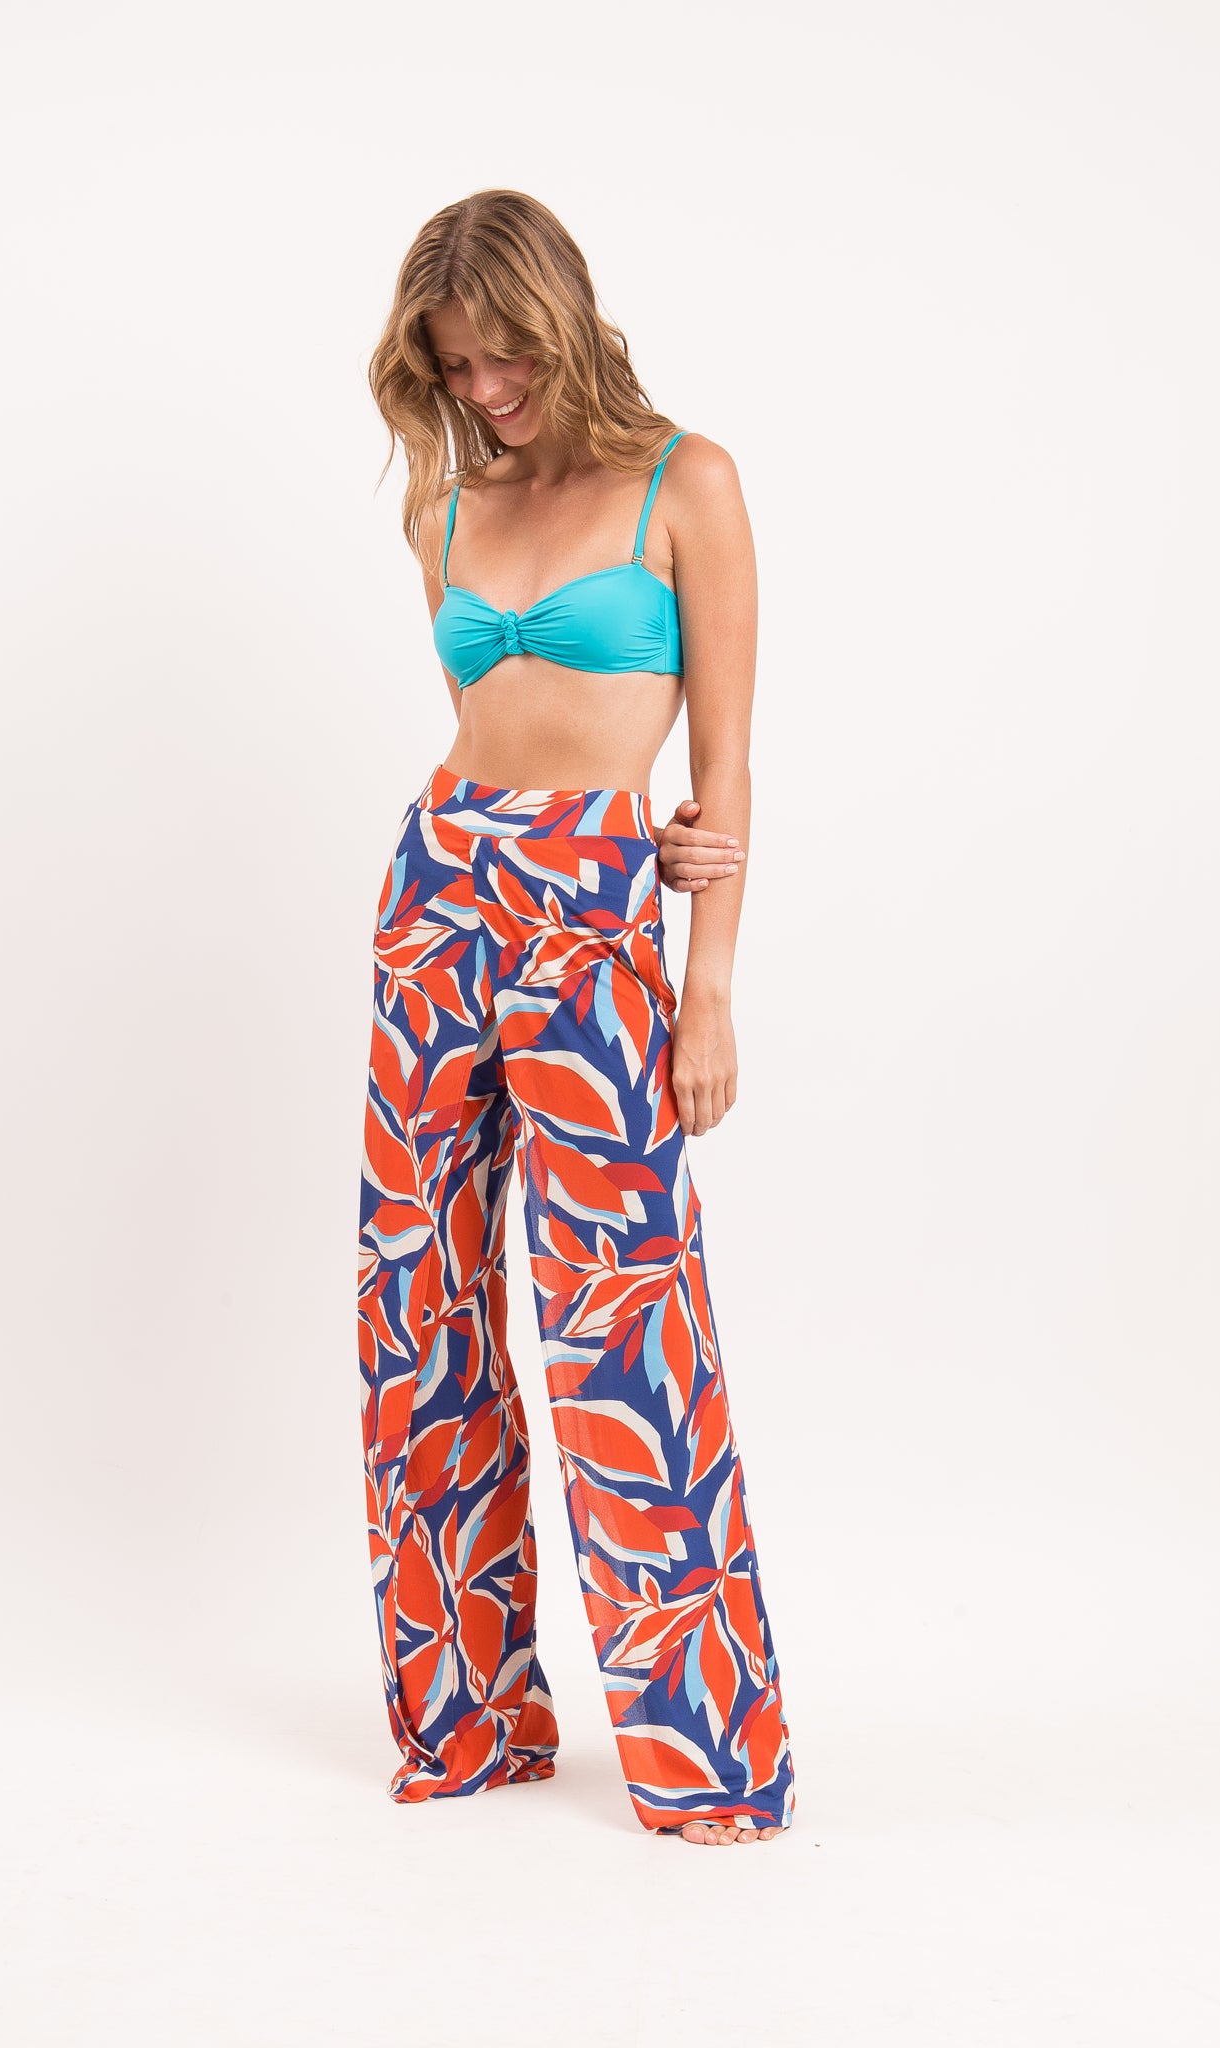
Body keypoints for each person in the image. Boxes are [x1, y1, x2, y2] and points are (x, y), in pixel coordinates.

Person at [358, 189, 795, 1845]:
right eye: (452, 369)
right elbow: (479, 722)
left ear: (563, 322)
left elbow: (723, 766)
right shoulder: (446, 504)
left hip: (595, 914)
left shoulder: (689, 483)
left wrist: (705, 982)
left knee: (627, 1329)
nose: (483, 392)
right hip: (436, 897)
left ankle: (705, 1757)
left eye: (505, 359)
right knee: (420, 1315)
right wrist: (483, 846)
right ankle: (466, 1721)